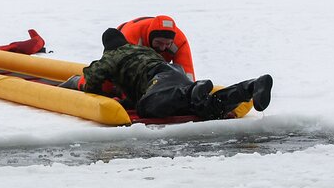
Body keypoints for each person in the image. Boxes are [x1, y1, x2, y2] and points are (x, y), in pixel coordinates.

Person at [61, 28, 272, 120]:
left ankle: (191, 93)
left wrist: (93, 89)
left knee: (146, 106)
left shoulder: (112, 55)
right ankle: (251, 86)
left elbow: (92, 79)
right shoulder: (142, 50)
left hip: (159, 80)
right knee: (208, 109)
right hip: (173, 74)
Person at [116, 15, 195, 81]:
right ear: (150, 37)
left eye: (167, 44)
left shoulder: (180, 41)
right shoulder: (131, 37)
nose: (162, 48)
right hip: (123, 38)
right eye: (158, 43)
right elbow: (122, 70)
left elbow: (187, 73)